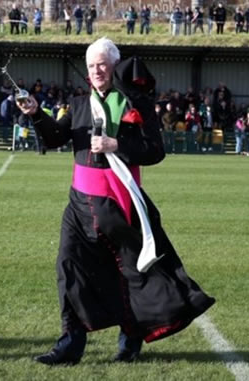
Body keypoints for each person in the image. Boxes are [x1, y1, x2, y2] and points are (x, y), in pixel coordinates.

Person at [15, 37, 215, 366]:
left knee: (131, 274)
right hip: (78, 205)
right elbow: (54, 137)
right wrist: (37, 114)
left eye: (102, 65)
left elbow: (155, 151)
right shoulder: (79, 104)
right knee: (68, 266)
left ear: (113, 67)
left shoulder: (136, 103)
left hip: (118, 205)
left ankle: (131, 336)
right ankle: (71, 341)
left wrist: (114, 143)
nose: (96, 71)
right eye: (91, 66)